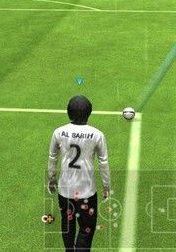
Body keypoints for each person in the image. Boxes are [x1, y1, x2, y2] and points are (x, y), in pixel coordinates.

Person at [47, 96, 111, 252]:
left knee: (67, 224)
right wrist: (106, 186)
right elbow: (103, 162)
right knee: (86, 229)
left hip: (65, 190)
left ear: (68, 112)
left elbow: (53, 157)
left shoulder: (58, 132)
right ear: (89, 113)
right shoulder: (97, 134)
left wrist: (51, 179)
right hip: (86, 192)